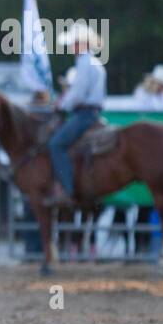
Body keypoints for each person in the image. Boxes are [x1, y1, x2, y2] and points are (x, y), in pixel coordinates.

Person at [44, 22, 107, 206]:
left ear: (82, 44)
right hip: (91, 112)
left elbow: (78, 93)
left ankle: (67, 189)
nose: (72, 47)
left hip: (84, 114)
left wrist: (61, 105)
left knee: (56, 144)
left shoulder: (84, 63)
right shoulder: (93, 63)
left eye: (74, 43)